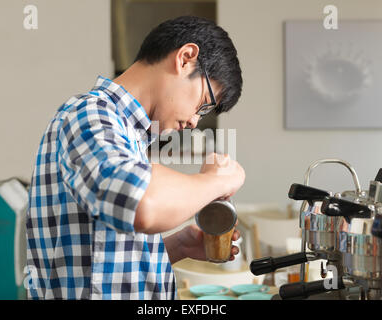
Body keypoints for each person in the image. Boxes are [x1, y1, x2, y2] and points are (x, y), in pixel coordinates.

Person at [26, 15, 244, 300]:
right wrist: (218, 180)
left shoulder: (128, 135)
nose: (194, 121)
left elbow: (99, 260)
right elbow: (142, 203)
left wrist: (175, 247)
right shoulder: (89, 115)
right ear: (186, 58)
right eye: (203, 105)